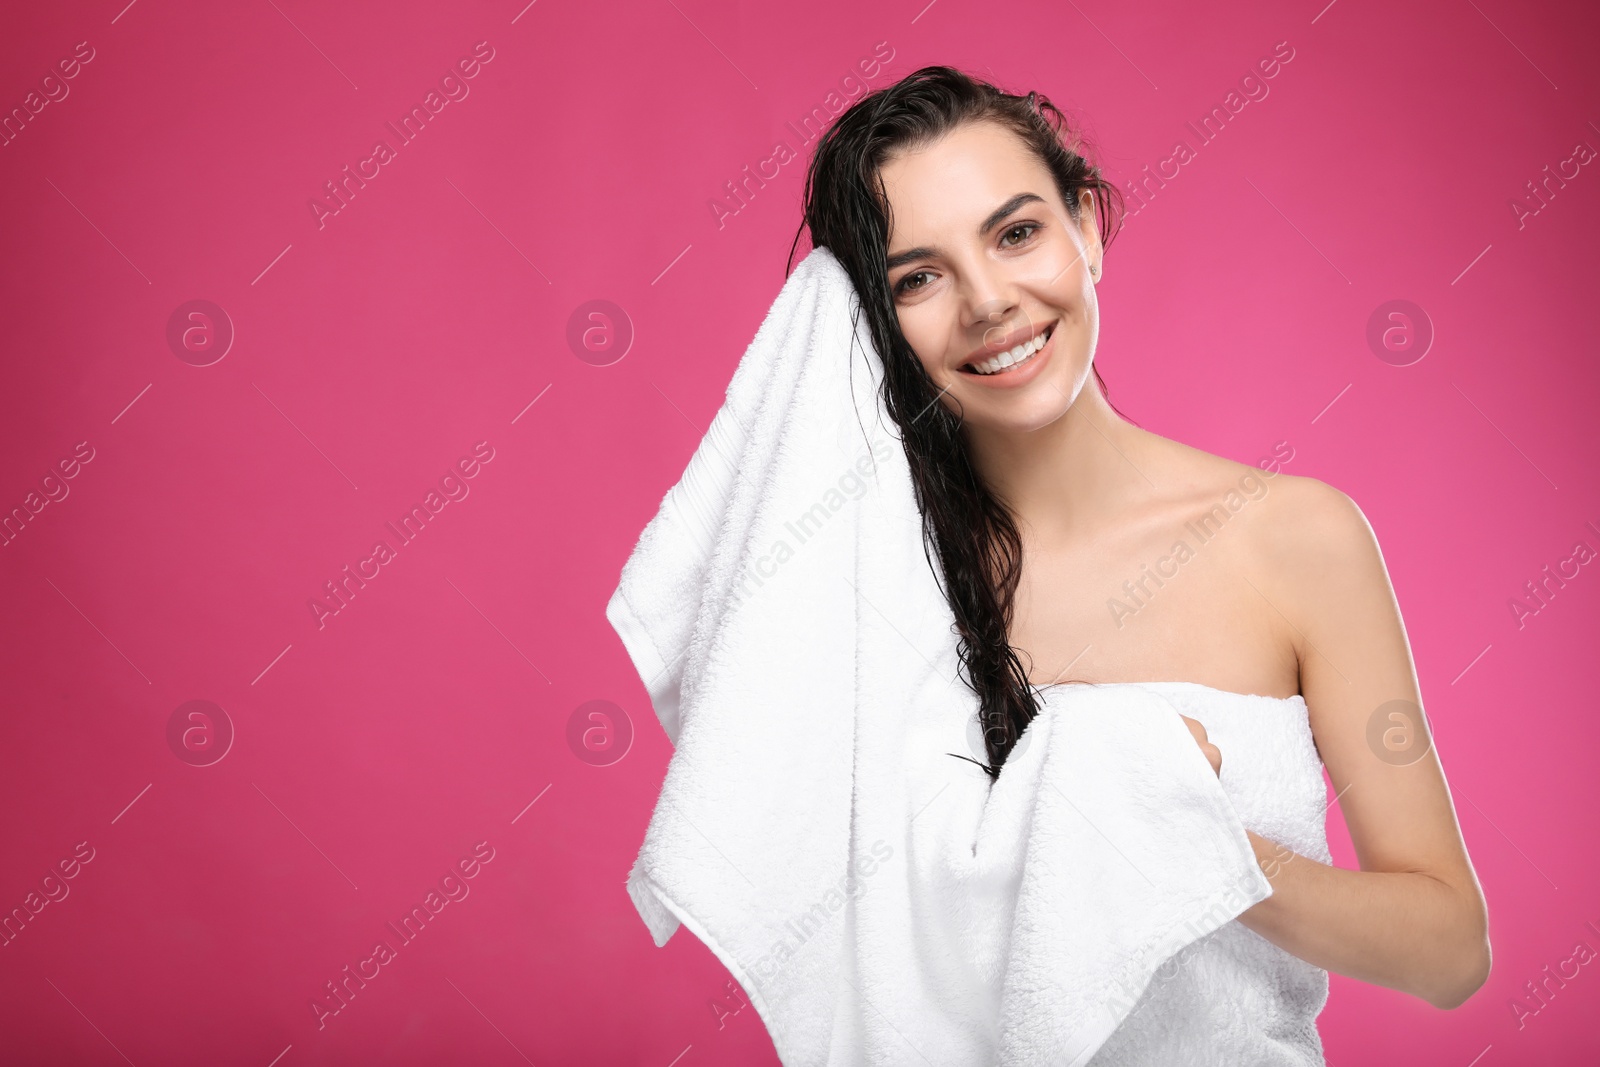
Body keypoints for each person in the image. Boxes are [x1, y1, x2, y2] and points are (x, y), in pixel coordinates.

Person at [787, 64, 1491, 1026]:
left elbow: (1449, 950)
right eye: (918, 276)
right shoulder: (875, 588)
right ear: (873, 319)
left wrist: (1198, 848)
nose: (988, 300)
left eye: (1017, 232)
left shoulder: (1297, 539)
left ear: (1086, 227)